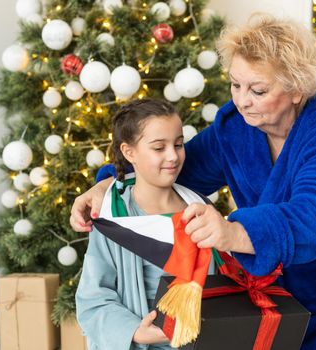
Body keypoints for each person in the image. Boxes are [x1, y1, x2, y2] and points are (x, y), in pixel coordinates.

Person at [71, 15, 316, 349]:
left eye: (258, 90)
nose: (242, 101)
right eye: (236, 85)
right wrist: (107, 184)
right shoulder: (237, 129)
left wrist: (233, 233)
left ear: (297, 89)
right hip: (308, 280)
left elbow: (315, 217)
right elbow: (172, 169)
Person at [75, 99, 214, 350]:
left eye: (179, 144)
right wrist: (135, 332)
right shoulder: (114, 216)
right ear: (129, 152)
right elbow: (93, 298)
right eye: (159, 148)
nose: (173, 156)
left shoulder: (200, 209)